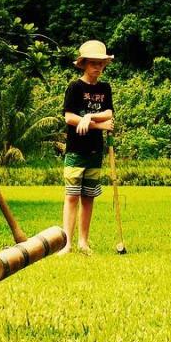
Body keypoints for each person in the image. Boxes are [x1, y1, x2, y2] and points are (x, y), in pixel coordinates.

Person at [59, 40, 115, 255]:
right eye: (93, 63)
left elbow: (109, 113)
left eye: (101, 63)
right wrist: (99, 125)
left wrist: (90, 116)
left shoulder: (104, 88)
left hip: (95, 150)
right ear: (83, 64)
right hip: (75, 150)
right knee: (72, 195)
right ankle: (67, 243)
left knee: (88, 196)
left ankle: (83, 241)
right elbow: (70, 117)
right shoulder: (75, 87)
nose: (97, 67)